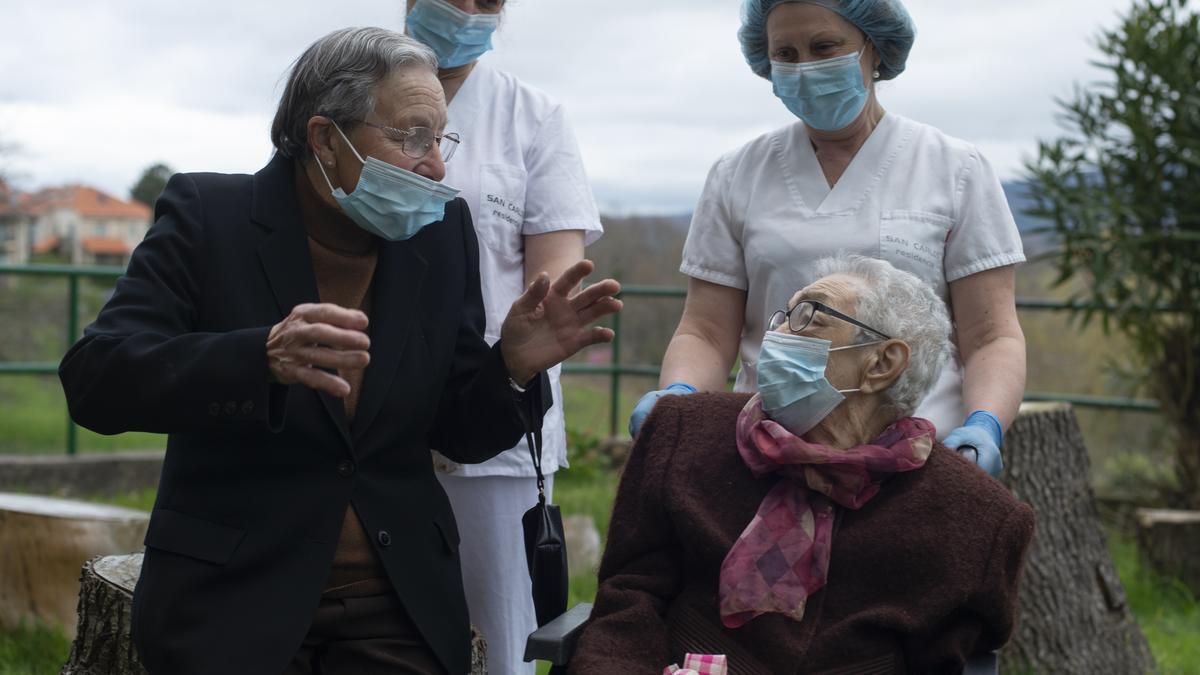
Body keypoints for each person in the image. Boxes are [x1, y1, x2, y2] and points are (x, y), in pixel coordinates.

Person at [58, 27, 621, 675]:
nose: (436, 165)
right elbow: (95, 380)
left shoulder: (441, 235)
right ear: (325, 138)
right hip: (231, 601)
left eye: (440, 138)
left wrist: (513, 367)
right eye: (412, 136)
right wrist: (258, 358)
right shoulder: (209, 217)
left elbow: (457, 430)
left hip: (396, 607)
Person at [573, 256, 1034, 673]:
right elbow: (629, 599)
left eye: (808, 317)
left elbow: (947, 659)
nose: (775, 336)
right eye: (782, 315)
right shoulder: (684, 435)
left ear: (882, 363)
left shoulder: (974, 519)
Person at [629, 0, 1026, 477]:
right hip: (768, 456)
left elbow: (991, 335)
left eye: (824, 47)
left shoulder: (953, 169)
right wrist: (680, 396)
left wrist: (984, 423)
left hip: (920, 461)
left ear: (873, 49)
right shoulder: (738, 174)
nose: (805, 69)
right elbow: (707, 333)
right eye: (787, 54)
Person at [403, 1, 604, 672]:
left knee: (497, 639)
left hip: (494, 418)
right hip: (367, 407)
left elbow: (552, 277)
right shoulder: (348, 84)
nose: (465, 12)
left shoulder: (533, 117)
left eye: (485, 0)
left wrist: (528, 341)